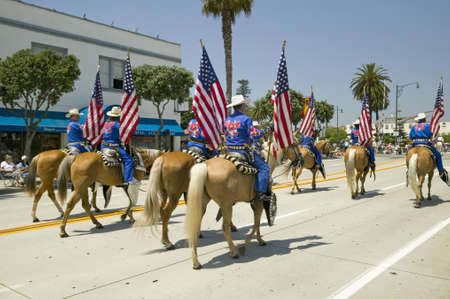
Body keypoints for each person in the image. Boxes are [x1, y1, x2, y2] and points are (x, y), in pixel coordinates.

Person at [224, 95, 271, 201]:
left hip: (229, 151)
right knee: (265, 168)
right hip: (243, 151)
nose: (246, 106)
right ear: (242, 106)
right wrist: (264, 131)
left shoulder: (227, 120)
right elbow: (254, 135)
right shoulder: (246, 119)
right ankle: (260, 193)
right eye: (245, 104)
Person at [100, 106, 137, 185]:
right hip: (114, 146)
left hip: (103, 146)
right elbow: (124, 135)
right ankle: (128, 179)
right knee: (129, 160)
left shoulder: (105, 124)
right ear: (118, 116)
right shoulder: (118, 125)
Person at [409, 113, 449, 185]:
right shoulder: (428, 126)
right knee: (438, 155)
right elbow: (431, 134)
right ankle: (441, 171)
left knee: (409, 155)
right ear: (424, 119)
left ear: (418, 119)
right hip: (426, 143)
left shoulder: (413, 127)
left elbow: (411, 137)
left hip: (415, 144)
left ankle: (407, 170)